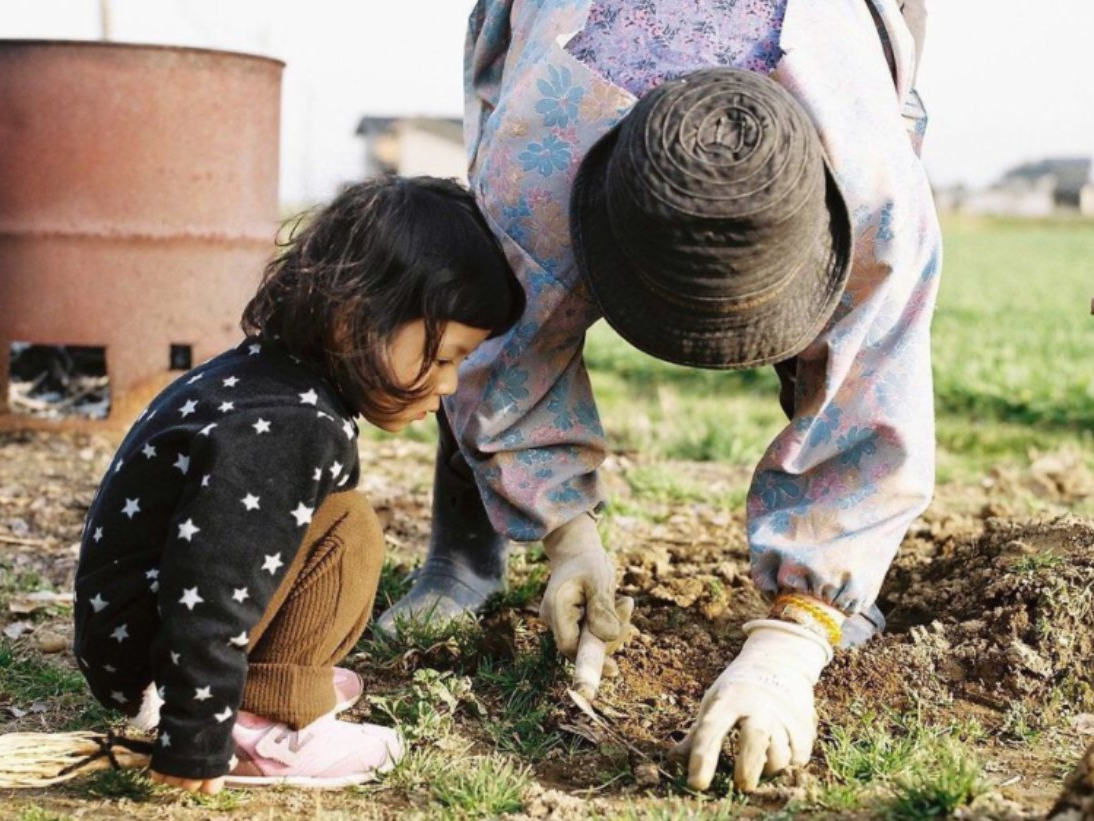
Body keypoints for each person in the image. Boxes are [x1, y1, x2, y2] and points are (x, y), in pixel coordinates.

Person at [378, 0, 939, 793]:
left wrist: (795, 641)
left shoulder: (878, 193)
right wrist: (567, 533)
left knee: (843, 344)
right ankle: (466, 552)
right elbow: (499, 354)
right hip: (570, 42)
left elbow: (875, 388)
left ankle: (826, 596)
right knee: (489, 301)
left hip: (835, 36)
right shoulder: (534, 170)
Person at [72, 177, 525, 793]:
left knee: (334, 521)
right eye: (443, 357)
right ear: (353, 322)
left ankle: (259, 683)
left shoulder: (269, 379)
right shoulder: (291, 424)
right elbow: (212, 579)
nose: (447, 387)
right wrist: (194, 736)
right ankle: (262, 728)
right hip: (160, 658)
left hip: (138, 638)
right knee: (348, 531)